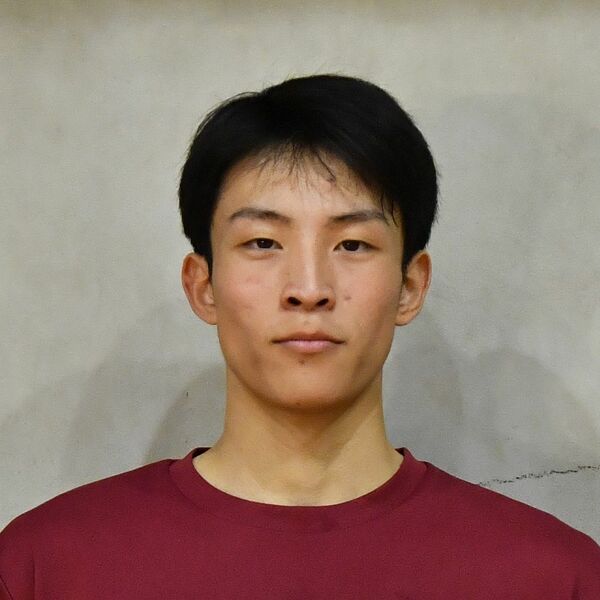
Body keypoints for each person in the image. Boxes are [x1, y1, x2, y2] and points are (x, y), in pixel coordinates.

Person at [1, 74, 599, 599]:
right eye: (263, 242)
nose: (309, 289)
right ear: (203, 285)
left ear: (410, 286)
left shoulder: (554, 578)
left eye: (352, 244)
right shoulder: (44, 568)